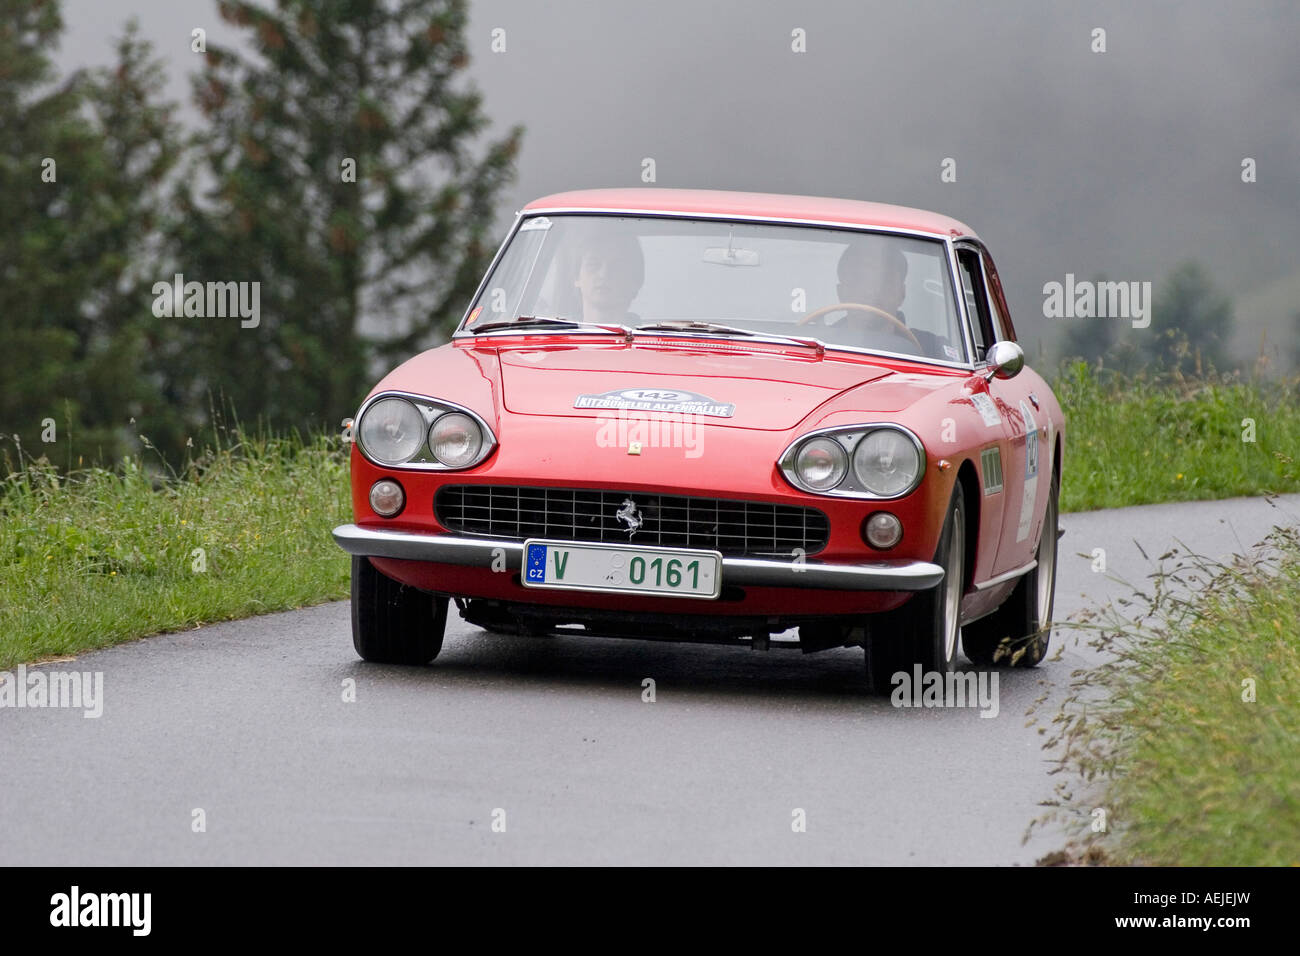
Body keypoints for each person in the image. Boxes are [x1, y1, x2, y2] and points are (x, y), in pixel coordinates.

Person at [825, 236, 924, 355]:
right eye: (860, 281)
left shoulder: (930, 349)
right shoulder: (822, 346)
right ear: (841, 293)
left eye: (884, 283)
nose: (871, 292)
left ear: (901, 293)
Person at [571, 230, 645, 325]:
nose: (603, 274)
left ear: (636, 281)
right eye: (593, 265)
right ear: (577, 277)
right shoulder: (556, 335)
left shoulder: (655, 339)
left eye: (617, 267)